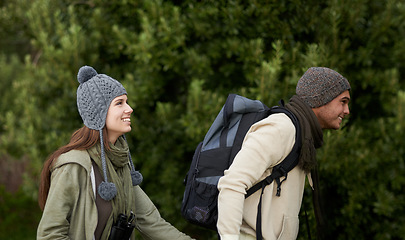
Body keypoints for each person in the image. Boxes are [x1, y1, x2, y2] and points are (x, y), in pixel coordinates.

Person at [37, 66, 194, 240]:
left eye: (126, 101)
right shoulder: (74, 165)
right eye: (119, 103)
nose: (129, 109)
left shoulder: (119, 161)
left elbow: (152, 222)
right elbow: (49, 235)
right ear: (99, 113)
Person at [216, 67, 351, 240]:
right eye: (343, 102)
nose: (346, 111)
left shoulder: (303, 135)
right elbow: (232, 183)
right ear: (321, 99)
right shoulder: (281, 128)